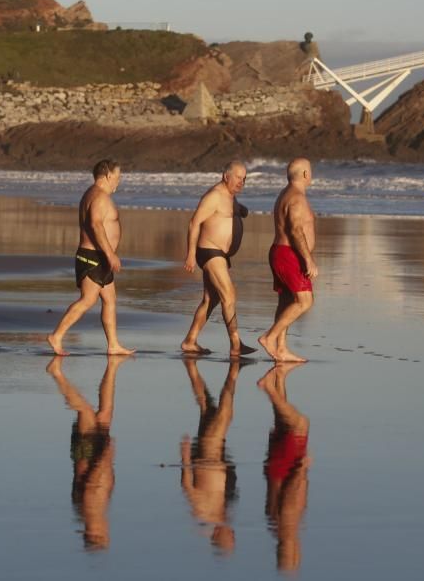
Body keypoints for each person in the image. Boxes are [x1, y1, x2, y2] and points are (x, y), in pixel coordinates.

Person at [47, 159, 135, 356]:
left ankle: (113, 345)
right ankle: (56, 336)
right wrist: (110, 254)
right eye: (117, 177)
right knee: (87, 300)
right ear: (107, 175)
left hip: (100, 256)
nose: (118, 182)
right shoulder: (99, 197)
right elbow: (95, 225)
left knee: (110, 300)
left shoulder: (93, 194)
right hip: (93, 256)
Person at [47, 354, 128, 550]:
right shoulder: (88, 512)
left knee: (84, 410)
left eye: (104, 535)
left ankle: (57, 374)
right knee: (106, 409)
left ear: (97, 532)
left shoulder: (90, 510)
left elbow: (92, 483)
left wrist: (106, 456)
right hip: (91, 453)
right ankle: (112, 367)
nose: (108, 530)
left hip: (90, 452)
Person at [181, 161, 256, 357]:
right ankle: (236, 344)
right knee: (229, 295)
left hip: (220, 255)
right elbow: (194, 223)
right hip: (209, 251)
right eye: (238, 177)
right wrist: (189, 254)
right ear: (226, 176)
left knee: (211, 299)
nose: (242, 181)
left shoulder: (230, 197)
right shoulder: (214, 196)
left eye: (244, 178)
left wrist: (242, 211)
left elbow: (230, 211)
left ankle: (190, 341)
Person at [179, 359, 245, 554]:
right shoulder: (223, 512)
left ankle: (234, 368)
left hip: (208, 453)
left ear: (217, 536)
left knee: (225, 414)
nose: (232, 533)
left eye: (230, 537)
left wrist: (184, 456)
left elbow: (187, 487)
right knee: (206, 405)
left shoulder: (203, 512)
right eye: (233, 537)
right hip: (216, 455)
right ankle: (191, 366)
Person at [258, 158, 318, 362]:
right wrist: (308, 260)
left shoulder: (285, 194)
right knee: (305, 301)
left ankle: (281, 348)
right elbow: (295, 230)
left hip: (280, 252)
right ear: (304, 174)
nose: (311, 175)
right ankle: (269, 337)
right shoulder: (297, 198)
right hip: (288, 254)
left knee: (286, 302)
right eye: (310, 171)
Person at [258, 364, 311, 573]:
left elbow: (290, 498)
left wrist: (301, 469)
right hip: (274, 470)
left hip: (285, 467)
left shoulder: (287, 528)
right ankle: (278, 375)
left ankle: (269, 387)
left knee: (299, 424)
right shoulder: (274, 527)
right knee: (282, 421)